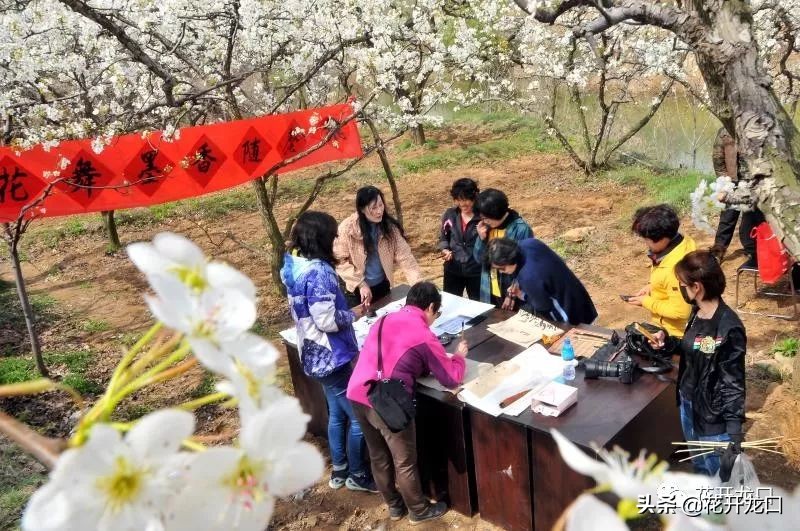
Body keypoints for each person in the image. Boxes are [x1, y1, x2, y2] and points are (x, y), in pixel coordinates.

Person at [346, 282, 468, 524]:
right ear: (431, 307)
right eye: (437, 313)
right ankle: (419, 510)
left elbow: (396, 355)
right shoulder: (422, 334)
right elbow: (450, 377)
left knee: (378, 456)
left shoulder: (383, 320)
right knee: (405, 462)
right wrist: (459, 357)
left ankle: (394, 506)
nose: (435, 318)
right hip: (388, 403)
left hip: (358, 391)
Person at [280, 211, 378, 493]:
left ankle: (340, 469)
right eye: (333, 236)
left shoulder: (291, 263)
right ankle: (358, 475)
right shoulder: (319, 272)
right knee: (361, 418)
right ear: (321, 239)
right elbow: (327, 321)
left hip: (310, 352)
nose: (336, 241)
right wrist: (353, 314)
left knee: (337, 413)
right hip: (331, 357)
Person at [669, 250, 746, 477]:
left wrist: (733, 431)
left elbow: (733, 381)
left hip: (713, 417)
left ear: (697, 287)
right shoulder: (698, 311)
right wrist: (666, 344)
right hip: (688, 402)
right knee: (699, 464)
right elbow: (692, 348)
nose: (681, 289)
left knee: (718, 475)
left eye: (683, 285)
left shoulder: (728, 327)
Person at [335, 186, 421, 309]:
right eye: (374, 208)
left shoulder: (389, 228)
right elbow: (340, 261)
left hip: (382, 285)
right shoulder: (347, 229)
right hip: (356, 289)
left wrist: (418, 285)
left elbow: (406, 258)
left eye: (381, 205)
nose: (379, 211)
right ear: (362, 209)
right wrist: (361, 284)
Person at [486, 238, 598, 325]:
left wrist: (522, 295)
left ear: (510, 260)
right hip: (577, 296)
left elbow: (543, 306)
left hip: (567, 314)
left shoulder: (529, 277)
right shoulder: (529, 244)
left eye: (502, 269)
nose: (501, 272)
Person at [627, 204, 697, 338]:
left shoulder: (674, 269)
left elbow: (681, 311)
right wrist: (652, 286)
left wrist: (646, 302)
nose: (646, 244)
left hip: (675, 335)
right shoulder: (682, 241)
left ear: (662, 239)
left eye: (646, 240)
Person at [709, 126, 764, 268]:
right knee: (727, 218)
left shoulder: (756, 127)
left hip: (752, 181)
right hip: (732, 182)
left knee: (752, 217)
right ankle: (717, 252)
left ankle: (753, 250)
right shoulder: (725, 130)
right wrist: (724, 181)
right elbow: (718, 157)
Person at [472, 188, 533, 309]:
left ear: (495, 213)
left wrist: (512, 294)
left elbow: (525, 265)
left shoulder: (520, 229)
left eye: (485, 217)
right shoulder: (486, 228)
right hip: (490, 289)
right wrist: (481, 239)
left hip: (511, 291)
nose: (483, 221)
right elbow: (478, 259)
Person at [438, 177, 481, 300]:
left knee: (478, 309)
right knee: (449, 304)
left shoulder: (484, 217)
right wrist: (445, 250)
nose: (462, 204)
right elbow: (443, 238)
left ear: (475, 196)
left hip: (476, 271)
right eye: (458, 200)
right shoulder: (450, 215)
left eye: (466, 199)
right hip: (453, 270)